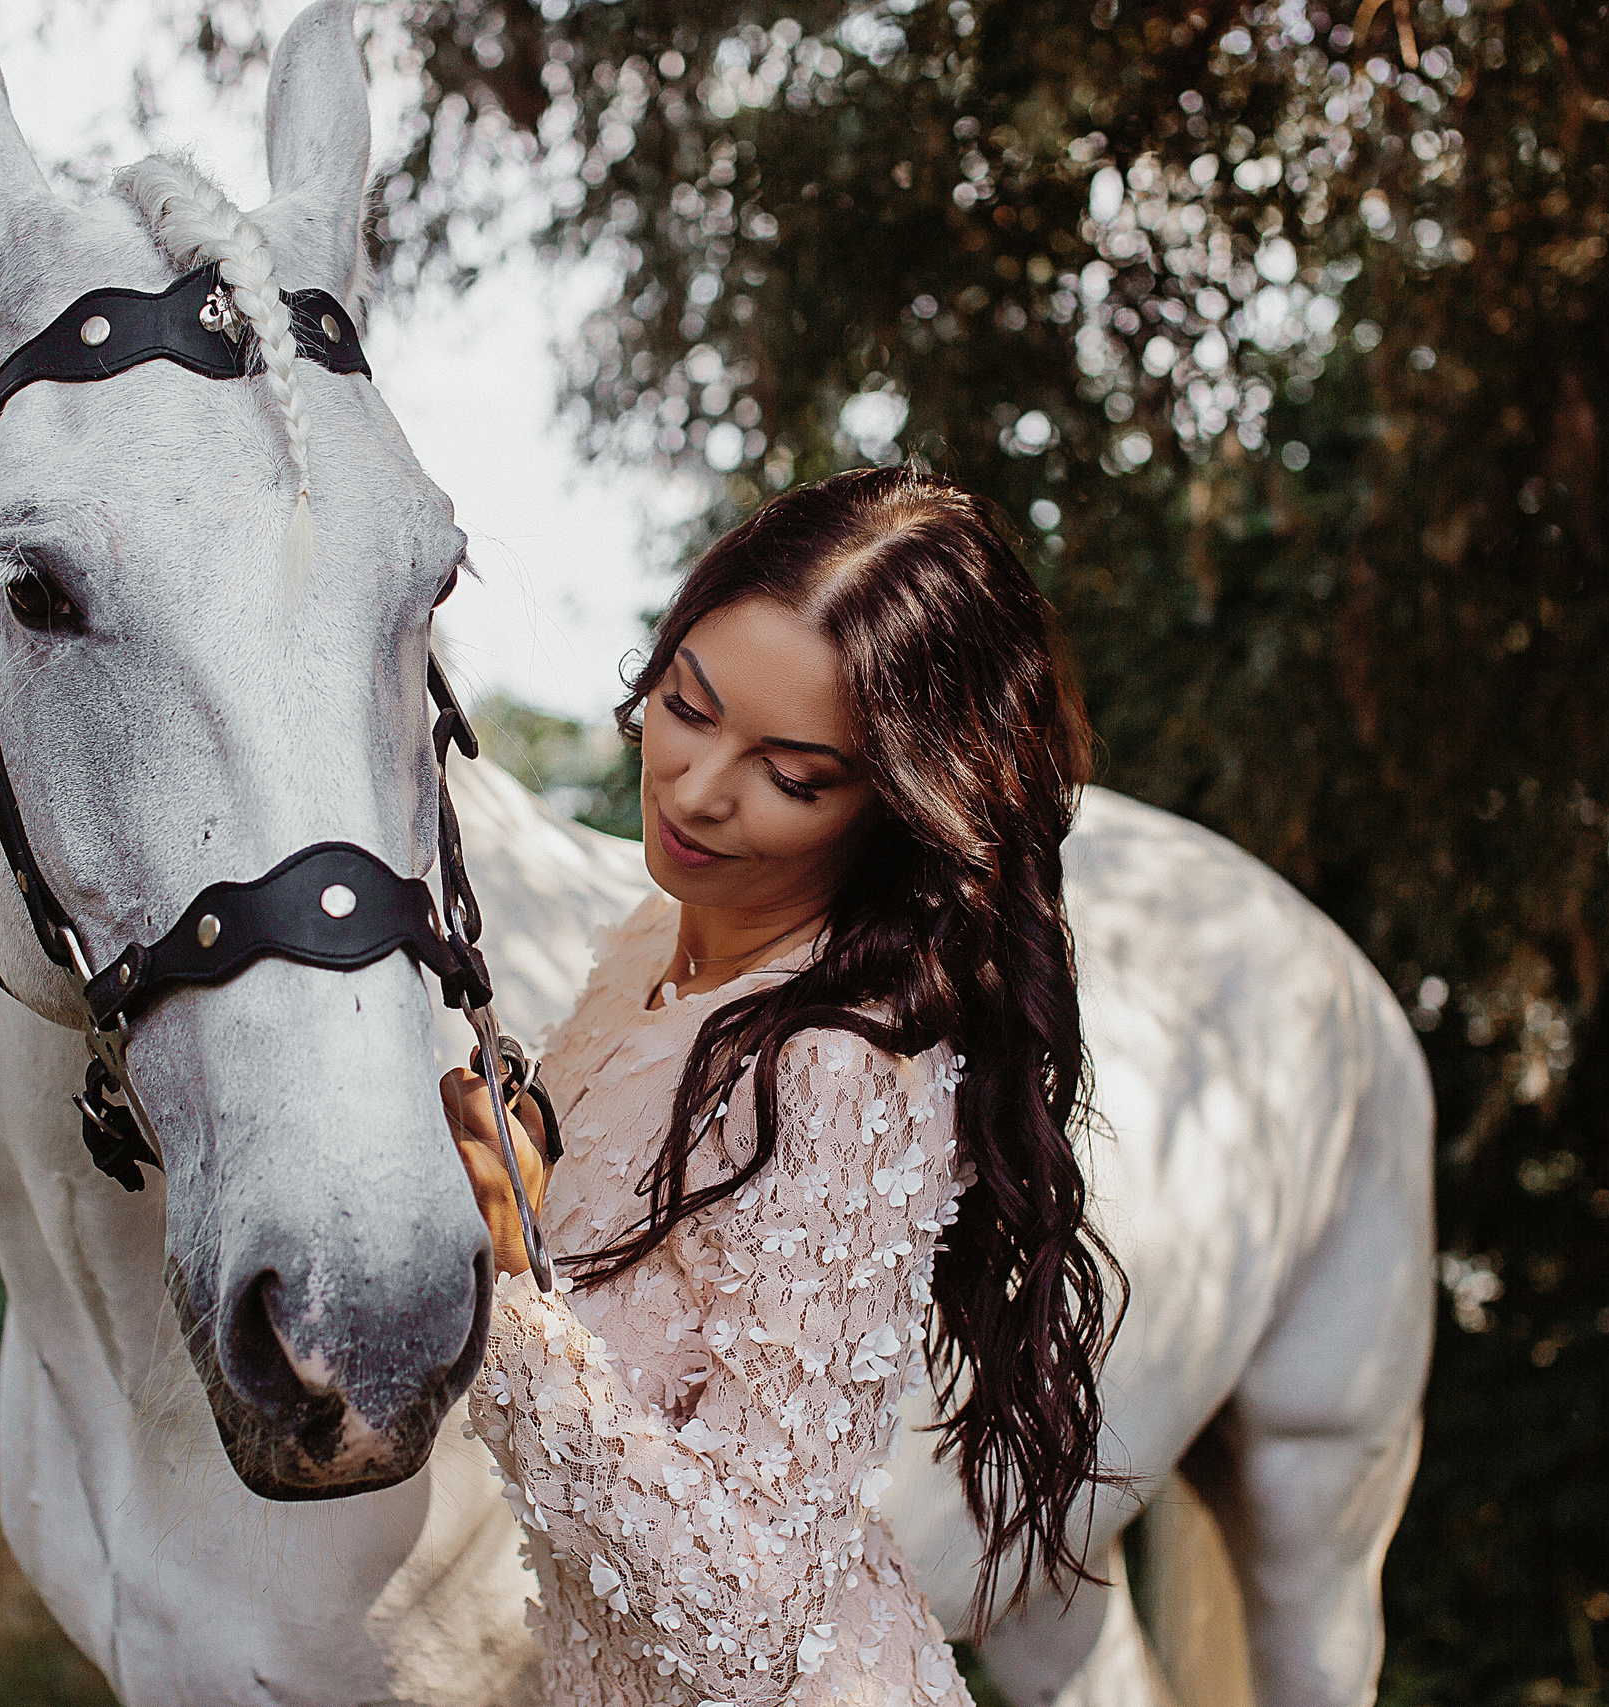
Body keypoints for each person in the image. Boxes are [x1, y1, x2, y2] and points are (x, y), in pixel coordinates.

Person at [443, 465, 1119, 1707]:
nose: (697, 791)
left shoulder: (842, 1072)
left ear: (901, 801)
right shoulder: (658, 949)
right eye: (686, 707)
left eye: (793, 774)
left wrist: (496, 1292)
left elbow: (746, 1615)